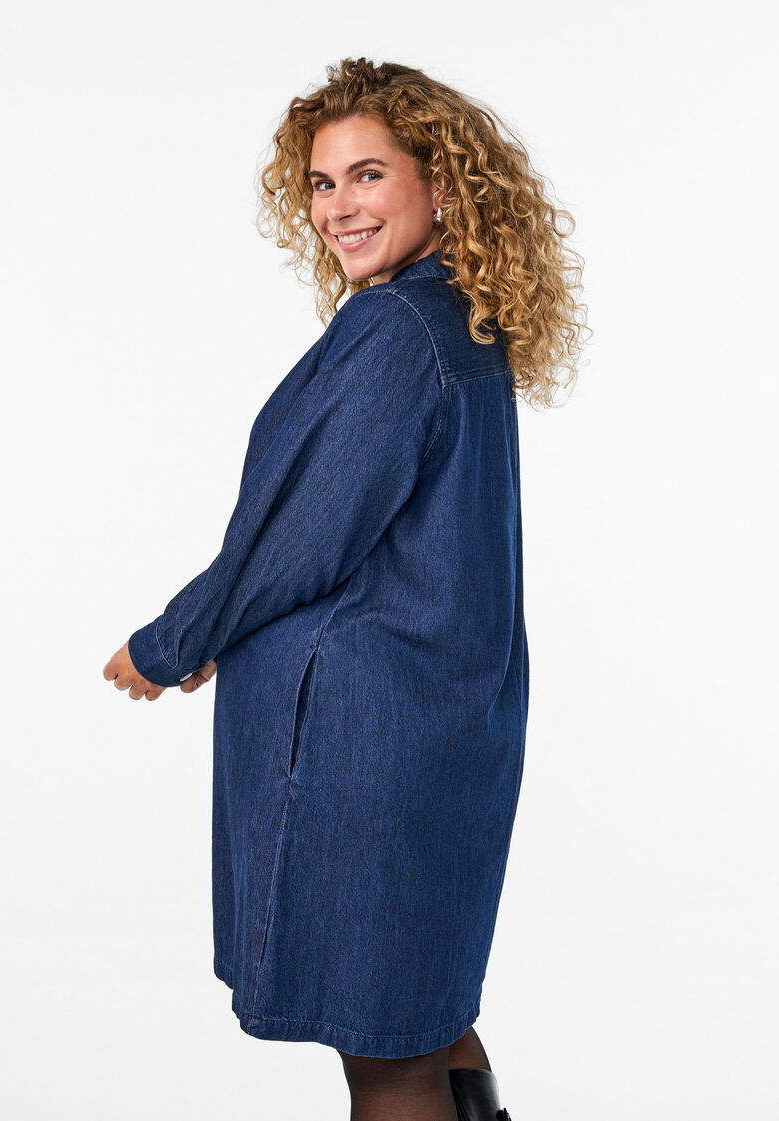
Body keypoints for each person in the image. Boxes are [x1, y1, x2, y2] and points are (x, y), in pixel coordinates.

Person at [104, 57, 587, 1121]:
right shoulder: (455, 315)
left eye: (368, 175)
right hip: (442, 718)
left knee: (389, 1053)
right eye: (323, 183)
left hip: (364, 741)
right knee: (429, 1014)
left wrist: (174, 639)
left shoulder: (396, 329)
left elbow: (300, 532)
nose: (337, 207)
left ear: (440, 184)